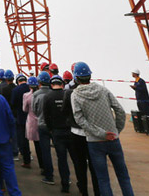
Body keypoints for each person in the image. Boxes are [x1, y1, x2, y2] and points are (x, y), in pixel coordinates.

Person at [71, 62, 134, 196]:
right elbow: (120, 111)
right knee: (124, 177)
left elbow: (80, 119)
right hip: (113, 139)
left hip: (95, 142)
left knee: (103, 179)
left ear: (76, 78)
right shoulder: (103, 90)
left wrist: (100, 134)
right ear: (90, 75)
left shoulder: (75, 95)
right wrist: (116, 130)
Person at [62, 69, 100, 196]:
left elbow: (65, 111)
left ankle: (83, 190)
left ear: (76, 78)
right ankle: (97, 191)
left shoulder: (69, 93)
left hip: (76, 134)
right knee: (94, 166)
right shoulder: (98, 91)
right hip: (93, 134)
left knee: (80, 165)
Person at [43, 75, 76, 193]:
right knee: (76, 159)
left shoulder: (47, 97)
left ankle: (65, 184)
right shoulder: (69, 94)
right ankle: (82, 185)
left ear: (51, 85)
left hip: (57, 131)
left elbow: (46, 116)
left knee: (62, 159)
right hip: (71, 131)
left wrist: (50, 129)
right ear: (62, 84)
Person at [32, 70, 55, 185]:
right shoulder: (52, 93)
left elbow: (34, 110)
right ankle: (66, 178)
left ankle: (49, 175)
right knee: (61, 153)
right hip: (54, 126)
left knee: (45, 151)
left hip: (42, 125)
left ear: (39, 82)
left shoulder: (35, 95)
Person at [22, 76, 44, 175]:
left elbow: (24, 109)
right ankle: (45, 166)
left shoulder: (27, 95)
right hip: (44, 121)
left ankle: (41, 166)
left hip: (32, 122)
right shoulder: (43, 94)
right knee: (43, 146)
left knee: (36, 145)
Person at [10, 73, 32, 168]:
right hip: (31, 117)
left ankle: (26, 158)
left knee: (23, 139)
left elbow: (13, 103)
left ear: (18, 81)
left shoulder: (16, 90)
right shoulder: (30, 88)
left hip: (20, 117)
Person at [130, 69, 149, 136]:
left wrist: (136, 87)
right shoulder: (136, 81)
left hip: (144, 100)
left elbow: (143, 89)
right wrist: (134, 88)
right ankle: (145, 127)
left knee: (148, 114)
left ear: (135, 74)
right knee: (142, 114)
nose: (132, 74)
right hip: (139, 100)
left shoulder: (141, 81)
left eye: (133, 73)